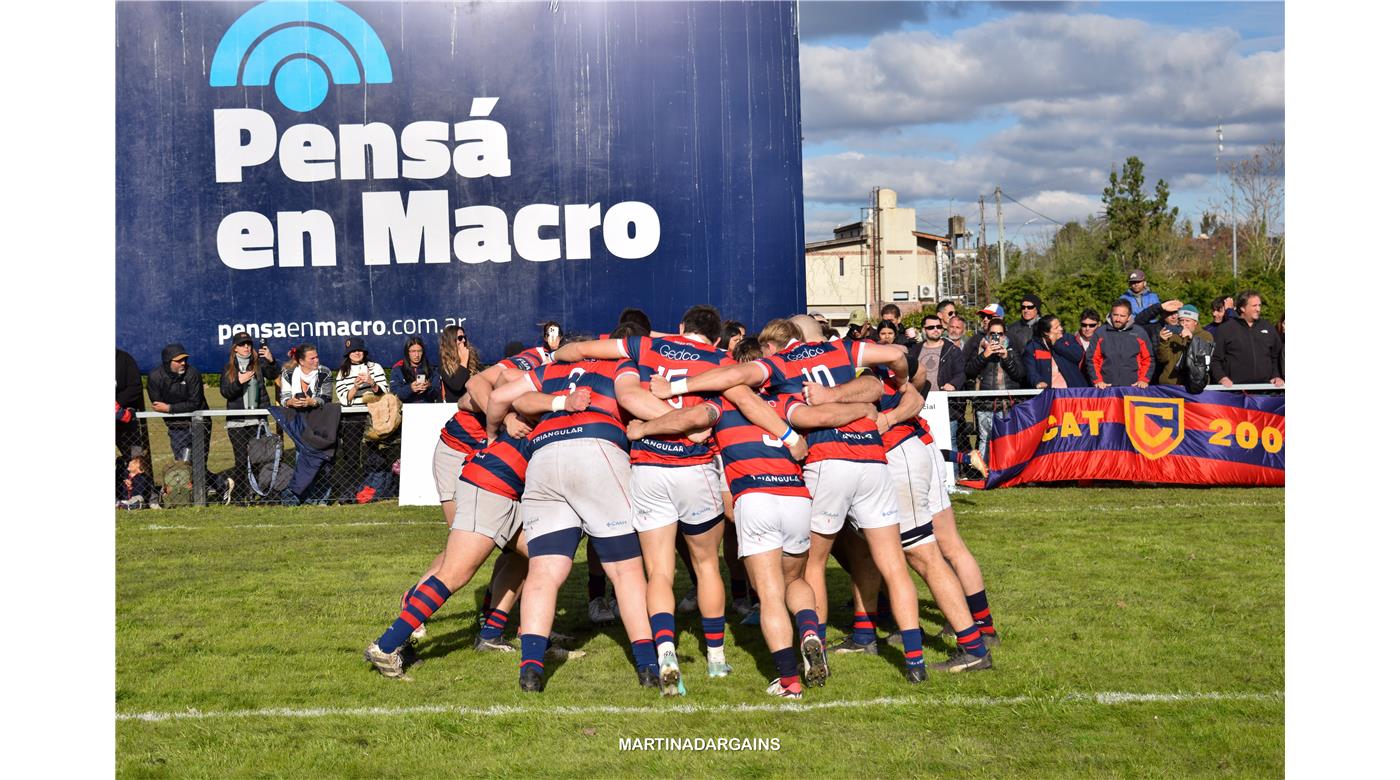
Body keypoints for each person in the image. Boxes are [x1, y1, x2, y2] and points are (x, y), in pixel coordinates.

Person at [651, 315, 934, 684]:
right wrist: (874, 404)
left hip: (800, 478)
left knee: (786, 582)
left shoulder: (773, 371)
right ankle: (914, 661)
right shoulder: (836, 355)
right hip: (861, 465)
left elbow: (712, 407)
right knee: (893, 565)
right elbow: (892, 361)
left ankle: (791, 672)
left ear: (774, 347)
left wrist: (669, 393)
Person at [551, 306, 803, 692]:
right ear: (718, 338)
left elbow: (580, 354)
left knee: (660, 571)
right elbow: (749, 404)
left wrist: (556, 353)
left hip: (650, 468)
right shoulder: (720, 359)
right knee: (705, 566)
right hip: (696, 469)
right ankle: (717, 658)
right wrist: (789, 437)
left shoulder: (646, 347)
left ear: (681, 326)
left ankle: (666, 650)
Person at [485, 336, 675, 694]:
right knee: (626, 570)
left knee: (544, 571)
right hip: (595, 449)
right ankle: (649, 668)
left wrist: (497, 429)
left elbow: (512, 397)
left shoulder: (551, 369)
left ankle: (530, 672)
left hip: (544, 459)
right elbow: (631, 397)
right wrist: (681, 420)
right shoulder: (618, 364)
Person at [219, 333, 279, 502]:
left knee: (257, 459)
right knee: (240, 459)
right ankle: (239, 496)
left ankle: (256, 493)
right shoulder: (228, 368)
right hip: (236, 422)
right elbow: (225, 392)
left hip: (257, 421)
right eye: (242, 344)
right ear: (235, 348)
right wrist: (239, 381)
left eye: (248, 344)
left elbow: (274, 374)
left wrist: (271, 360)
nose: (246, 347)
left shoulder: (258, 364)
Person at [332, 337, 391, 504]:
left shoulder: (375, 367)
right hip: (352, 416)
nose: (357, 353)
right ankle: (350, 492)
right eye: (353, 351)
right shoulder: (343, 371)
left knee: (375, 454)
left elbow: (384, 392)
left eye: (359, 350)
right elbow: (344, 399)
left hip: (373, 414)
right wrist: (356, 386)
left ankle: (373, 490)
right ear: (348, 354)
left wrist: (372, 382)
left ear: (364, 352)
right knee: (351, 455)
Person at [964, 318, 1026, 462]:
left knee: (1007, 439)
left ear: (1005, 334)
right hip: (985, 403)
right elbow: (969, 371)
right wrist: (985, 355)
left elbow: (1020, 374)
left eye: (1000, 333)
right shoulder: (979, 347)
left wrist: (1006, 357)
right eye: (993, 334)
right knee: (985, 439)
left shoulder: (1011, 348)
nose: (996, 337)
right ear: (987, 333)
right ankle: (985, 473)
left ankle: (1005, 470)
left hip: (1007, 404)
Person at [147, 343, 211, 464]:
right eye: (179, 360)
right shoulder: (155, 377)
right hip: (176, 426)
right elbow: (158, 405)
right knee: (183, 465)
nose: (183, 363)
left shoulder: (193, 374)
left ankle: (219, 483)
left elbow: (195, 403)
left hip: (200, 423)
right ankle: (221, 483)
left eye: (184, 359)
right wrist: (169, 409)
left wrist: (170, 408)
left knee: (199, 464)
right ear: (167, 362)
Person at [1210, 291, 1284, 387]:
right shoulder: (1225, 329)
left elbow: (1276, 356)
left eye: (1259, 305)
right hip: (1234, 392)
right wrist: (1221, 377)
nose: (1258, 309)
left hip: (1266, 391)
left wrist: (1276, 376)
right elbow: (1214, 358)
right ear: (1242, 308)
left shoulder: (1268, 327)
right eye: (1254, 306)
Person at [1085, 300, 1152, 388]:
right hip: (1106, 387)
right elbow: (1092, 360)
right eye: (1115, 315)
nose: (1118, 319)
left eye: (1122, 316)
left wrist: (1144, 379)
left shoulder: (1140, 333)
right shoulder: (1100, 333)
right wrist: (1097, 380)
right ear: (1110, 314)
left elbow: (1148, 359)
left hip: (1133, 386)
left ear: (1129, 317)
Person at [1022, 316, 1088, 389]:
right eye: (1056, 328)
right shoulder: (1033, 347)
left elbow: (1077, 356)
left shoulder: (1069, 338)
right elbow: (1031, 371)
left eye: (1060, 325)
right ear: (1046, 332)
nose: (1061, 328)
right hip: (1050, 393)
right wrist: (1037, 382)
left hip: (1073, 392)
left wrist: (1057, 344)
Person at [1155, 305, 1214, 387]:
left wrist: (1191, 338)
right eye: (1181, 320)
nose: (1184, 324)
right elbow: (1163, 359)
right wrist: (1163, 341)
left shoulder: (1206, 335)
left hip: (1193, 385)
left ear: (1195, 322)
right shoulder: (1173, 335)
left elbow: (1203, 359)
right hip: (1170, 384)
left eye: (1187, 321)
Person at [907, 315, 965, 393]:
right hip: (917, 397)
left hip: (943, 398)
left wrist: (953, 384)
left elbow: (960, 373)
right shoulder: (914, 350)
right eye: (931, 327)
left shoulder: (953, 350)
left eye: (938, 326)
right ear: (924, 330)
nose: (936, 329)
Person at [116, 348, 149, 459]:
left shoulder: (125, 359)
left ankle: (138, 476)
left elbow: (135, 387)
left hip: (125, 422)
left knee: (136, 458)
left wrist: (118, 403)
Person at [438, 325, 482, 404]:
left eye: (464, 337)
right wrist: (464, 361)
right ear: (451, 341)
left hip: (475, 401)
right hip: (456, 405)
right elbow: (457, 385)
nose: (464, 340)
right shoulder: (444, 361)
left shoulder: (472, 355)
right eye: (460, 338)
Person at [390, 337, 440, 403]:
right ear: (407, 352)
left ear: (423, 352)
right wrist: (410, 388)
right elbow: (394, 394)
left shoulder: (432, 369)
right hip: (406, 409)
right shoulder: (398, 370)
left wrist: (429, 387)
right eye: (413, 351)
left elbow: (437, 394)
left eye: (419, 351)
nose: (417, 355)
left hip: (427, 409)